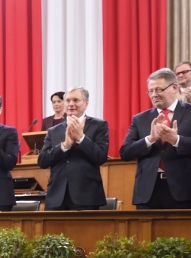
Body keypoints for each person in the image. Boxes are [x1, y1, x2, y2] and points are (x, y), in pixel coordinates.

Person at [120, 68, 191, 209]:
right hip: (148, 192)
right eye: (150, 91)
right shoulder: (140, 119)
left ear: (174, 87)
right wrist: (150, 139)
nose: (154, 95)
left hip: (184, 190)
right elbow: (125, 152)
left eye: (158, 89)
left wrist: (176, 140)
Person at [38, 87, 109, 211]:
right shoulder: (53, 131)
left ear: (86, 103)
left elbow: (101, 157)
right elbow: (43, 161)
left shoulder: (99, 125)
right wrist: (64, 146)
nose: (71, 104)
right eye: (68, 100)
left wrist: (81, 138)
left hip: (86, 195)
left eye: (76, 100)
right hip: (57, 196)